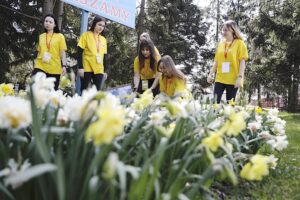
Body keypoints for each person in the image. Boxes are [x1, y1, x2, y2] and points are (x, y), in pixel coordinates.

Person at [207, 20, 248, 104]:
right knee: (214, 103)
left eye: (226, 30)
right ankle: (215, 117)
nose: (223, 32)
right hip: (220, 78)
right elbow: (216, 61)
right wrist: (210, 74)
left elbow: (242, 62)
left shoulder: (240, 43)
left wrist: (239, 78)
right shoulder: (221, 44)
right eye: (223, 30)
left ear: (232, 30)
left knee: (230, 105)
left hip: (233, 79)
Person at [33, 14, 67, 90]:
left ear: (55, 25)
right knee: (35, 88)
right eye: (46, 21)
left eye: (50, 22)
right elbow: (39, 51)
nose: (47, 23)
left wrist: (64, 66)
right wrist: (36, 63)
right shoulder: (41, 36)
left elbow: (62, 53)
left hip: (54, 68)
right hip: (40, 66)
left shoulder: (60, 36)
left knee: (51, 93)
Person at [77, 16, 107, 91]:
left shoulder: (103, 39)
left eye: (103, 26)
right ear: (94, 24)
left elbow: (105, 56)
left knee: (96, 92)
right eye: (99, 25)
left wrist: (105, 71)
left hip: (99, 69)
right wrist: (80, 67)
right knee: (84, 90)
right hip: (87, 67)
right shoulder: (86, 35)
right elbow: (79, 52)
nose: (101, 27)